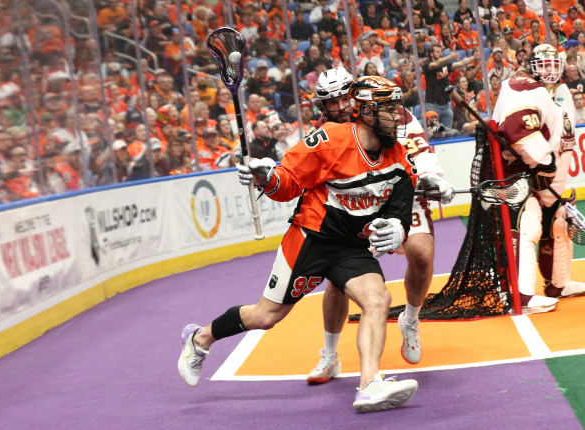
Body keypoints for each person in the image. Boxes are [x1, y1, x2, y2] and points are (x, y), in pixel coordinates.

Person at [178, 76, 419, 413]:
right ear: (365, 111)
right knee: (265, 316)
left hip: (351, 246)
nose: (399, 116)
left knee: (378, 299)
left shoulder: (396, 154)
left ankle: (368, 386)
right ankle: (200, 338)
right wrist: (266, 176)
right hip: (311, 239)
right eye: (389, 109)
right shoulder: (329, 141)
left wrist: (398, 227)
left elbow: (400, 200)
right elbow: (286, 183)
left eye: (397, 107)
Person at [306, 68, 453, 382]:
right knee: (338, 279)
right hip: (354, 203)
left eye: (345, 97)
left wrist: (433, 178)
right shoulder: (324, 133)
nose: (340, 106)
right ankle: (330, 356)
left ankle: (409, 321)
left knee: (422, 254)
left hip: (400, 191)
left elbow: (418, 152)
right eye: (331, 102)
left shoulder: (389, 111)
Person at [491, 44, 585, 314]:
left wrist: (555, 190)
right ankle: (522, 296)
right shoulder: (521, 85)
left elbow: (561, 144)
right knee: (528, 227)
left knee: (560, 223)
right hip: (522, 176)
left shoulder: (558, 99)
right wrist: (542, 162)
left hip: (548, 181)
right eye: (543, 64)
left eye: (553, 64)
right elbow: (516, 127)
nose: (549, 70)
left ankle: (558, 285)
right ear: (532, 65)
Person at [423, 44, 476, 129]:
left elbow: (462, 63)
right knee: (433, 130)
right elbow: (436, 64)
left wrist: (474, 57)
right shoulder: (427, 65)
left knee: (447, 131)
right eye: (437, 52)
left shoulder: (445, 66)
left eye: (441, 51)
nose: (440, 54)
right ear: (431, 54)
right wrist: (449, 57)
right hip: (432, 105)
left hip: (445, 105)